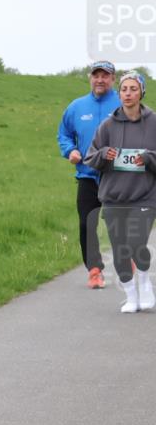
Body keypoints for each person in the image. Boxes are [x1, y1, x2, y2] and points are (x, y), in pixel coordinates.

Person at [84, 71, 156, 313]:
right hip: (114, 197)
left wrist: (148, 158)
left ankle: (144, 281)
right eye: (124, 89)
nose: (128, 93)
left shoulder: (154, 123)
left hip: (145, 196)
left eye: (133, 89)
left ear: (141, 92)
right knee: (119, 249)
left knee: (136, 243)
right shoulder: (107, 126)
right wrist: (104, 154)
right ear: (119, 93)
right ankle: (131, 296)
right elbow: (91, 158)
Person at [57, 61, 120, 289]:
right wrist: (70, 151)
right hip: (87, 175)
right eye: (96, 75)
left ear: (113, 79)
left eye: (105, 76)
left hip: (116, 176)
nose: (100, 80)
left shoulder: (123, 104)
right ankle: (94, 270)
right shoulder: (77, 107)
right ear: (90, 78)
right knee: (86, 224)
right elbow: (64, 134)